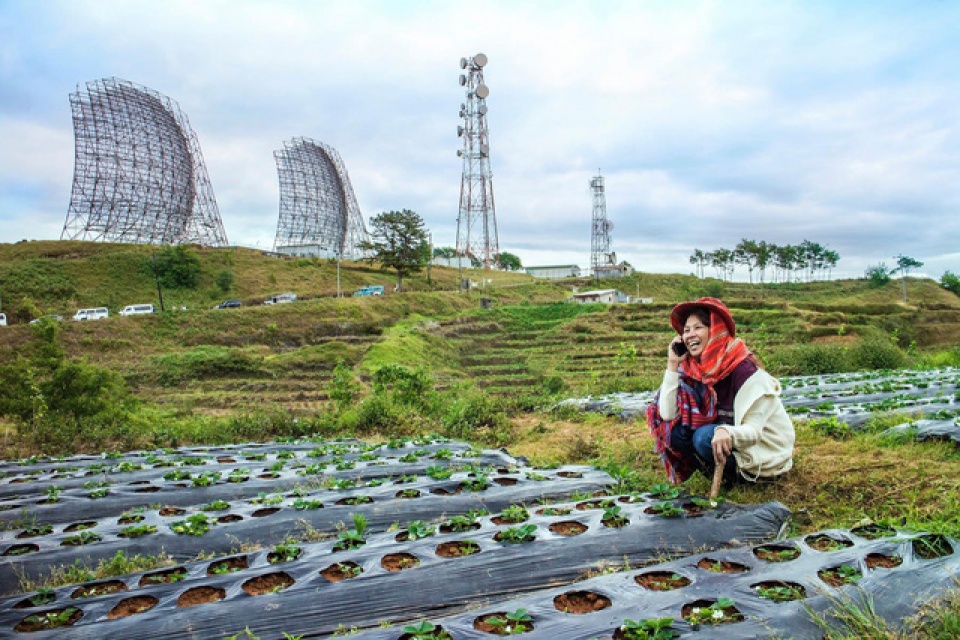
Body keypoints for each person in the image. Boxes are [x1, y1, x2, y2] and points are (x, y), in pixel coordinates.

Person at [645, 297, 795, 485]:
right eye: (686, 330)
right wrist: (673, 364)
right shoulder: (693, 371)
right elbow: (667, 414)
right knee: (676, 433)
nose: (690, 335)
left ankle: (744, 478)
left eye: (698, 328)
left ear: (715, 330)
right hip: (728, 442)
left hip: (762, 453)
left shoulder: (745, 371)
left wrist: (726, 431)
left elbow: (754, 432)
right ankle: (726, 478)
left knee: (703, 437)